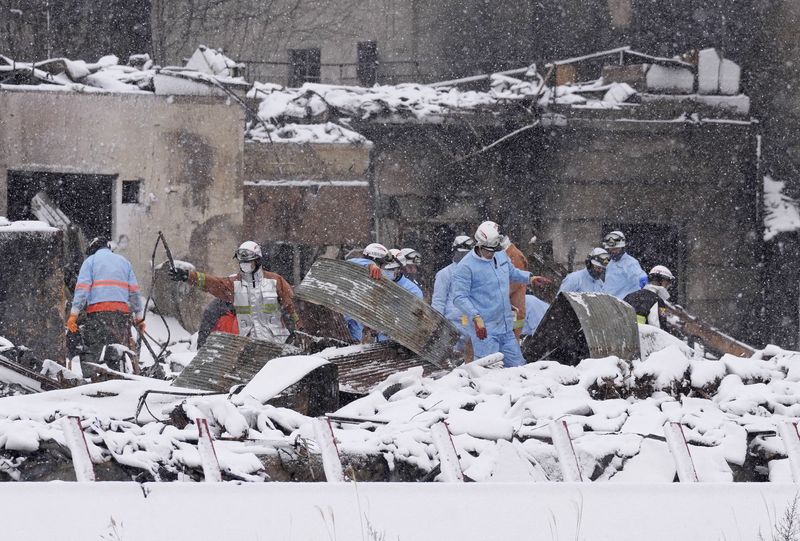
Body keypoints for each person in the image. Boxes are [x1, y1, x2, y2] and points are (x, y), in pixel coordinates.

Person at [452, 221, 549, 368]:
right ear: (480, 245)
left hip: (505, 327)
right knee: (491, 371)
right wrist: (476, 317)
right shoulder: (466, 267)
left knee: (518, 367)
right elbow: (459, 297)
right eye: (488, 251)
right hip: (485, 330)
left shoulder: (500, 256)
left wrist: (530, 278)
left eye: (494, 250)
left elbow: (512, 272)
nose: (491, 254)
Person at [169, 241, 299, 343]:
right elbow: (212, 283)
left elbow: (292, 307)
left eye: (248, 262)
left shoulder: (275, 281)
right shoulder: (234, 284)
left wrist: (299, 330)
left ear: (258, 261)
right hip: (247, 343)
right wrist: (188, 276)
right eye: (242, 262)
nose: (244, 265)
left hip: (276, 343)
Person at [66, 236, 145, 366]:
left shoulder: (90, 262)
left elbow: (82, 290)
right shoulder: (124, 262)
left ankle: (92, 380)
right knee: (119, 352)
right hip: (121, 315)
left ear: (92, 250)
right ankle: (121, 377)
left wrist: (74, 315)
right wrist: (139, 318)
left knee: (92, 352)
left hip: (98, 315)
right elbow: (134, 291)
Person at [344, 243, 396, 342]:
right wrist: (369, 264)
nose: (383, 268)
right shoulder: (363, 268)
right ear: (376, 260)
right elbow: (350, 262)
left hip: (357, 319)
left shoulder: (373, 276)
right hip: (348, 319)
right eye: (382, 264)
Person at [432, 235, 475, 347]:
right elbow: (438, 301)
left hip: (473, 324)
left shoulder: (476, 273)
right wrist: (437, 325)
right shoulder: (445, 274)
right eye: (462, 253)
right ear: (455, 252)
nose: (464, 256)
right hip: (452, 325)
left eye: (467, 254)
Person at [375, 255, 424, 342]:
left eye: (390, 270)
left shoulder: (412, 290)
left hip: (402, 340)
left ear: (398, 270)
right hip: (381, 338)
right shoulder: (381, 285)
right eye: (384, 269)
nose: (386, 272)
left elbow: (414, 318)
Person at [601, 231, 647, 299]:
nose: (613, 251)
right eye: (611, 249)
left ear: (622, 247)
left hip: (624, 304)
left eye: (616, 249)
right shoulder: (610, 264)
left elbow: (640, 277)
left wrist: (644, 281)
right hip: (609, 303)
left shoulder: (630, 263)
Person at [502, 236, 531, 339]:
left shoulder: (514, 256)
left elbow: (514, 282)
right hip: (512, 310)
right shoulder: (509, 254)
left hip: (515, 311)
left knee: (512, 341)